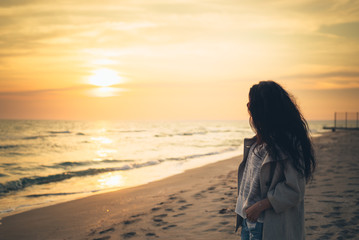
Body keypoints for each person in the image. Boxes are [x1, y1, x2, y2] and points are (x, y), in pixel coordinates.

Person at [235, 81, 316, 240]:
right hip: (247, 220)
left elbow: (294, 190)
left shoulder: (288, 144)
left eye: (252, 102)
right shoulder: (260, 141)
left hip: (266, 224)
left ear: (265, 109)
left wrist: (260, 206)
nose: (248, 105)